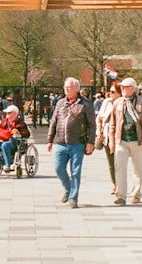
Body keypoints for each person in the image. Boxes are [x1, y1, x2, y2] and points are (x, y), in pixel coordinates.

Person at [46, 77, 95, 209]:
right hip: (61, 142)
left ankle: (73, 198)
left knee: (75, 171)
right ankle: (68, 190)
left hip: (77, 143)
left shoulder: (85, 104)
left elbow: (92, 124)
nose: (66, 89)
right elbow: (54, 121)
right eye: (65, 87)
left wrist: (91, 142)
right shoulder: (61, 103)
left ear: (76, 88)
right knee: (58, 168)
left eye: (69, 87)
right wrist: (49, 139)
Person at [108, 77, 142, 205]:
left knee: (138, 169)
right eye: (121, 87)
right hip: (121, 140)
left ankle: (136, 194)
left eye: (125, 87)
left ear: (132, 89)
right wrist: (112, 141)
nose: (122, 89)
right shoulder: (117, 103)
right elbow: (113, 123)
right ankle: (121, 196)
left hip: (137, 141)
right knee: (119, 168)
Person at [94, 84, 121, 196]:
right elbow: (99, 118)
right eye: (110, 91)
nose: (111, 93)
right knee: (111, 163)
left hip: (119, 137)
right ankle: (115, 184)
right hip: (107, 136)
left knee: (119, 163)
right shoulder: (106, 102)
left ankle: (121, 185)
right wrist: (99, 131)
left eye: (113, 91)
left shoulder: (123, 103)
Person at [0, 105, 30, 175]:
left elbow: (27, 134)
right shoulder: (4, 122)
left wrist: (18, 132)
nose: (7, 114)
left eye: (9, 113)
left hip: (14, 141)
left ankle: (7, 165)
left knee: (5, 145)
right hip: (3, 140)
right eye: (7, 113)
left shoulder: (20, 123)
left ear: (15, 114)